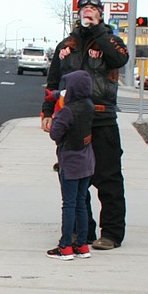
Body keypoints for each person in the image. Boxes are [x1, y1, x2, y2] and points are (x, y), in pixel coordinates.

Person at [41, 0, 129, 250]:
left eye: (93, 9)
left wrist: (99, 30)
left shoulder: (110, 41)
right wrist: (47, 111)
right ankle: (84, 231)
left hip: (102, 118)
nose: (87, 12)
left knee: (108, 178)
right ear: (77, 14)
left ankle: (112, 233)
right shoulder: (66, 46)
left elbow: (120, 59)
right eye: (84, 9)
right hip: (73, 122)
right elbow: (53, 82)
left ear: (101, 13)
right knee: (74, 177)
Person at [46, 70, 95, 260]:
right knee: (81, 203)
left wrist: (56, 112)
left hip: (70, 162)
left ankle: (65, 246)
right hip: (87, 161)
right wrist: (55, 95)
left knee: (68, 204)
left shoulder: (67, 111)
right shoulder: (88, 105)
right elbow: (69, 95)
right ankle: (82, 245)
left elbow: (55, 134)